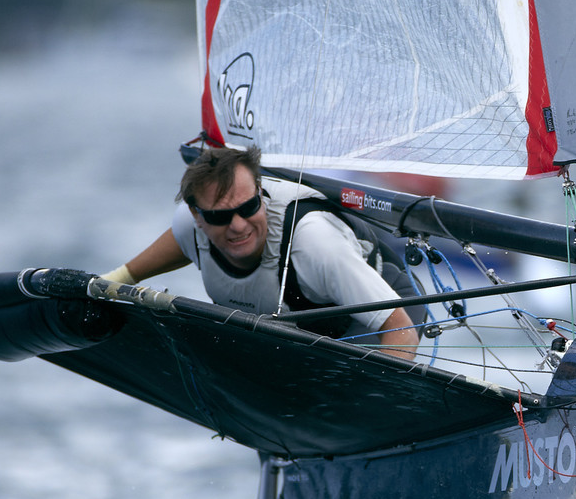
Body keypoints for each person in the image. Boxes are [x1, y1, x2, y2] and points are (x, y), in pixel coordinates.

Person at [103, 146, 419, 358]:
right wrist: (105, 286)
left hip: (382, 316)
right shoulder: (190, 226)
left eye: (248, 208)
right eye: (220, 217)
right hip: (296, 335)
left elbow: (401, 331)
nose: (238, 226)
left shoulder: (315, 244)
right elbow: (131, 273)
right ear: (197, 215)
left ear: (260, 194)